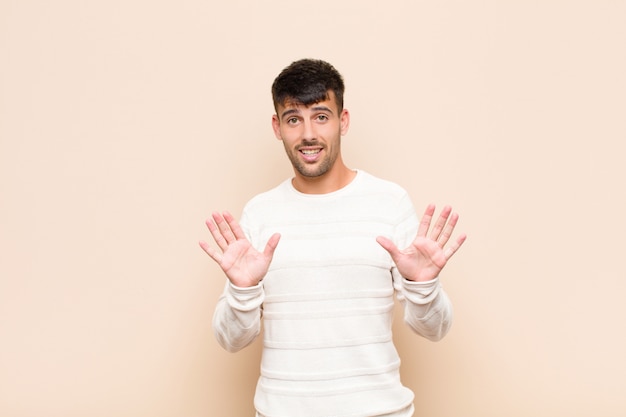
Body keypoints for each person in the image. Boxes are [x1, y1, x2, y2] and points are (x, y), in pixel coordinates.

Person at [199, 58, 466, 417]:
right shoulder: (260, 213)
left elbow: (434, 330)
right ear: (277, 127)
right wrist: (243, 292)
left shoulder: (389, 202)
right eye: (294, 118)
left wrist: (424, 286)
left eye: (321, 116)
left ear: (344, 121)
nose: (308, 134)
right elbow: (231, 340)